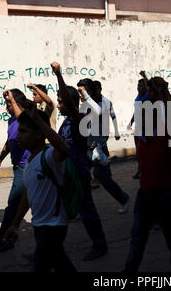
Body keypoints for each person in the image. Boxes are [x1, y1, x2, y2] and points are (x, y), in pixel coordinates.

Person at [2, 93, 76, 272]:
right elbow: (27, 196)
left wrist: (39, 121)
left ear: (37, 135)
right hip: (41, 226)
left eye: (23, 131)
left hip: (53, 226)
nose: (18, 136)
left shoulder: (49, 156)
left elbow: (64, 149)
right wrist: (16, 224)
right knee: (62, 265)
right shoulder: (29, 162)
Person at [124, 77, 171, 273]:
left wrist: (163, 91)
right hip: (145, 194)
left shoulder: (170, 131)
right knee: (137, 239)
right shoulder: (143, 135)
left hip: (166, 194)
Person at [51, 62, 108, 261]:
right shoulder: (65, 122)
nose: (58, 105)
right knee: (60, 212)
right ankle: (49, 249)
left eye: (61, 101)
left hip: (79, 173)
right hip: (66, 173)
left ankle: (100, 244)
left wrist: (58, 75)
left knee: (87, 211)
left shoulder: (80, 119)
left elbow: (69, 100)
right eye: (57, 101)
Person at [0, 89, 30, 253]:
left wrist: (13, 99)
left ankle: (4, 240)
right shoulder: (10, 121)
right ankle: (13, 233)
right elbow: (8, 142)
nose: (7, 108)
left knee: (12, 206)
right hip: (17, 167)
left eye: (9, 104)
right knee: (22, 203)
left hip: (25, 167)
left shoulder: (26, 119)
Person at [82, 79, 130, 214]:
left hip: (98, 145)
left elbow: (112, 116)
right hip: (90, 144)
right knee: (84, 175)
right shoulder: (88, 104)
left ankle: (123, 198)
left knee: (103, 177)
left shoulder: (103, 103)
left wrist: (116, 131)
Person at [130, 71, 148, 179]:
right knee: (139, 151)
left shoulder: (147, 95)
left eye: (140, 85)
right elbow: (136, 110)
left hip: (145, 128)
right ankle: (140, 170)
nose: (138, 87)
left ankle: (145, 171)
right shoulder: (138, 96)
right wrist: (132, 120)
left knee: (144, 151)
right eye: (137, 85)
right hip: (137, 127)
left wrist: (145, 77)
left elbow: (149, 84)